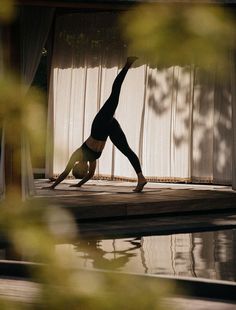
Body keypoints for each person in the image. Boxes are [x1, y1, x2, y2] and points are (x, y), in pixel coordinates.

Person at [44, 57, 147, 192]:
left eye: (82, 170)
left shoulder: (77, 155)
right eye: (84, 171)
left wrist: (52, 186)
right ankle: (141, 178)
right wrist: (79, 184)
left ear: (78, 166)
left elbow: (64, 172)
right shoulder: (90, 160)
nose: (86, 170)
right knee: (126, 150)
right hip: (109, 128)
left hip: (99, 125)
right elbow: (90, 175)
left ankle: (127, 65)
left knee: (114, 96)